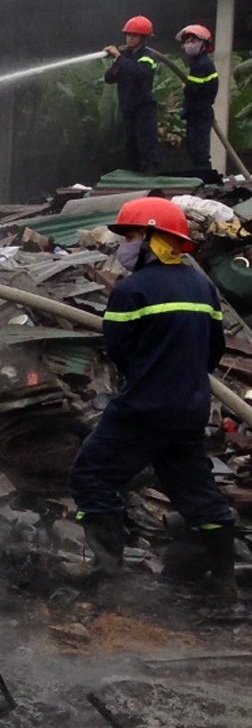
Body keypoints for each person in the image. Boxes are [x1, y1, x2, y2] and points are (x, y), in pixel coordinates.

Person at [68, 197, 236, 598]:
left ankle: (108, 570)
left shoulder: (133, 290)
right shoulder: (203, 287)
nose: (123, 244)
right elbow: (214, 350)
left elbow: (120, 350)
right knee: (196, 491)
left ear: (152, 239)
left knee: (91, 475)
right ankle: (225, 580)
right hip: (190, 410)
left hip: (142, 408)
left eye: (129, 235)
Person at [104, 16, 162, 175]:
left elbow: (139, 72)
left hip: (143, 108)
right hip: (128, 108)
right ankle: (134, 177)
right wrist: (116, 61)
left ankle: (151, 176)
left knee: (146, 144)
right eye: (128, 34)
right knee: (131, 145)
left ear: (143, 38)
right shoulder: (125, 57)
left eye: (134, 35)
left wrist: (119, 57)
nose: (129, 38)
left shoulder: (148, 56)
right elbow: (109, 78)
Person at [180, 24, 220, 174]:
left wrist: (186, 87)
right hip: (196, 113)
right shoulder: (198, 63)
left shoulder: (202, 65)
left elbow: (192, 90)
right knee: (195, 150)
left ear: (204, 44)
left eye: (194, 40)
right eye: (187, 41)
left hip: (200, 114)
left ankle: (204, 179)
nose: (189, 44)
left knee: (199, 152)